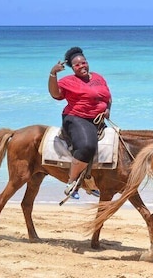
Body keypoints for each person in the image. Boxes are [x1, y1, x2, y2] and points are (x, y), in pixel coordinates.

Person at [48, 47, 112, 200]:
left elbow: (108, 97)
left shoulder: (98, 77)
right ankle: (72, 184)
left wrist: (108, 109)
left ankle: (91, 182)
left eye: (84, 62)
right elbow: (55, 94)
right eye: (77, 65)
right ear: (72, 67)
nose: (82, 66)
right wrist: (53, 73)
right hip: (76, 118)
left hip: (98, 120)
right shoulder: (68, 81)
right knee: (87, 146)